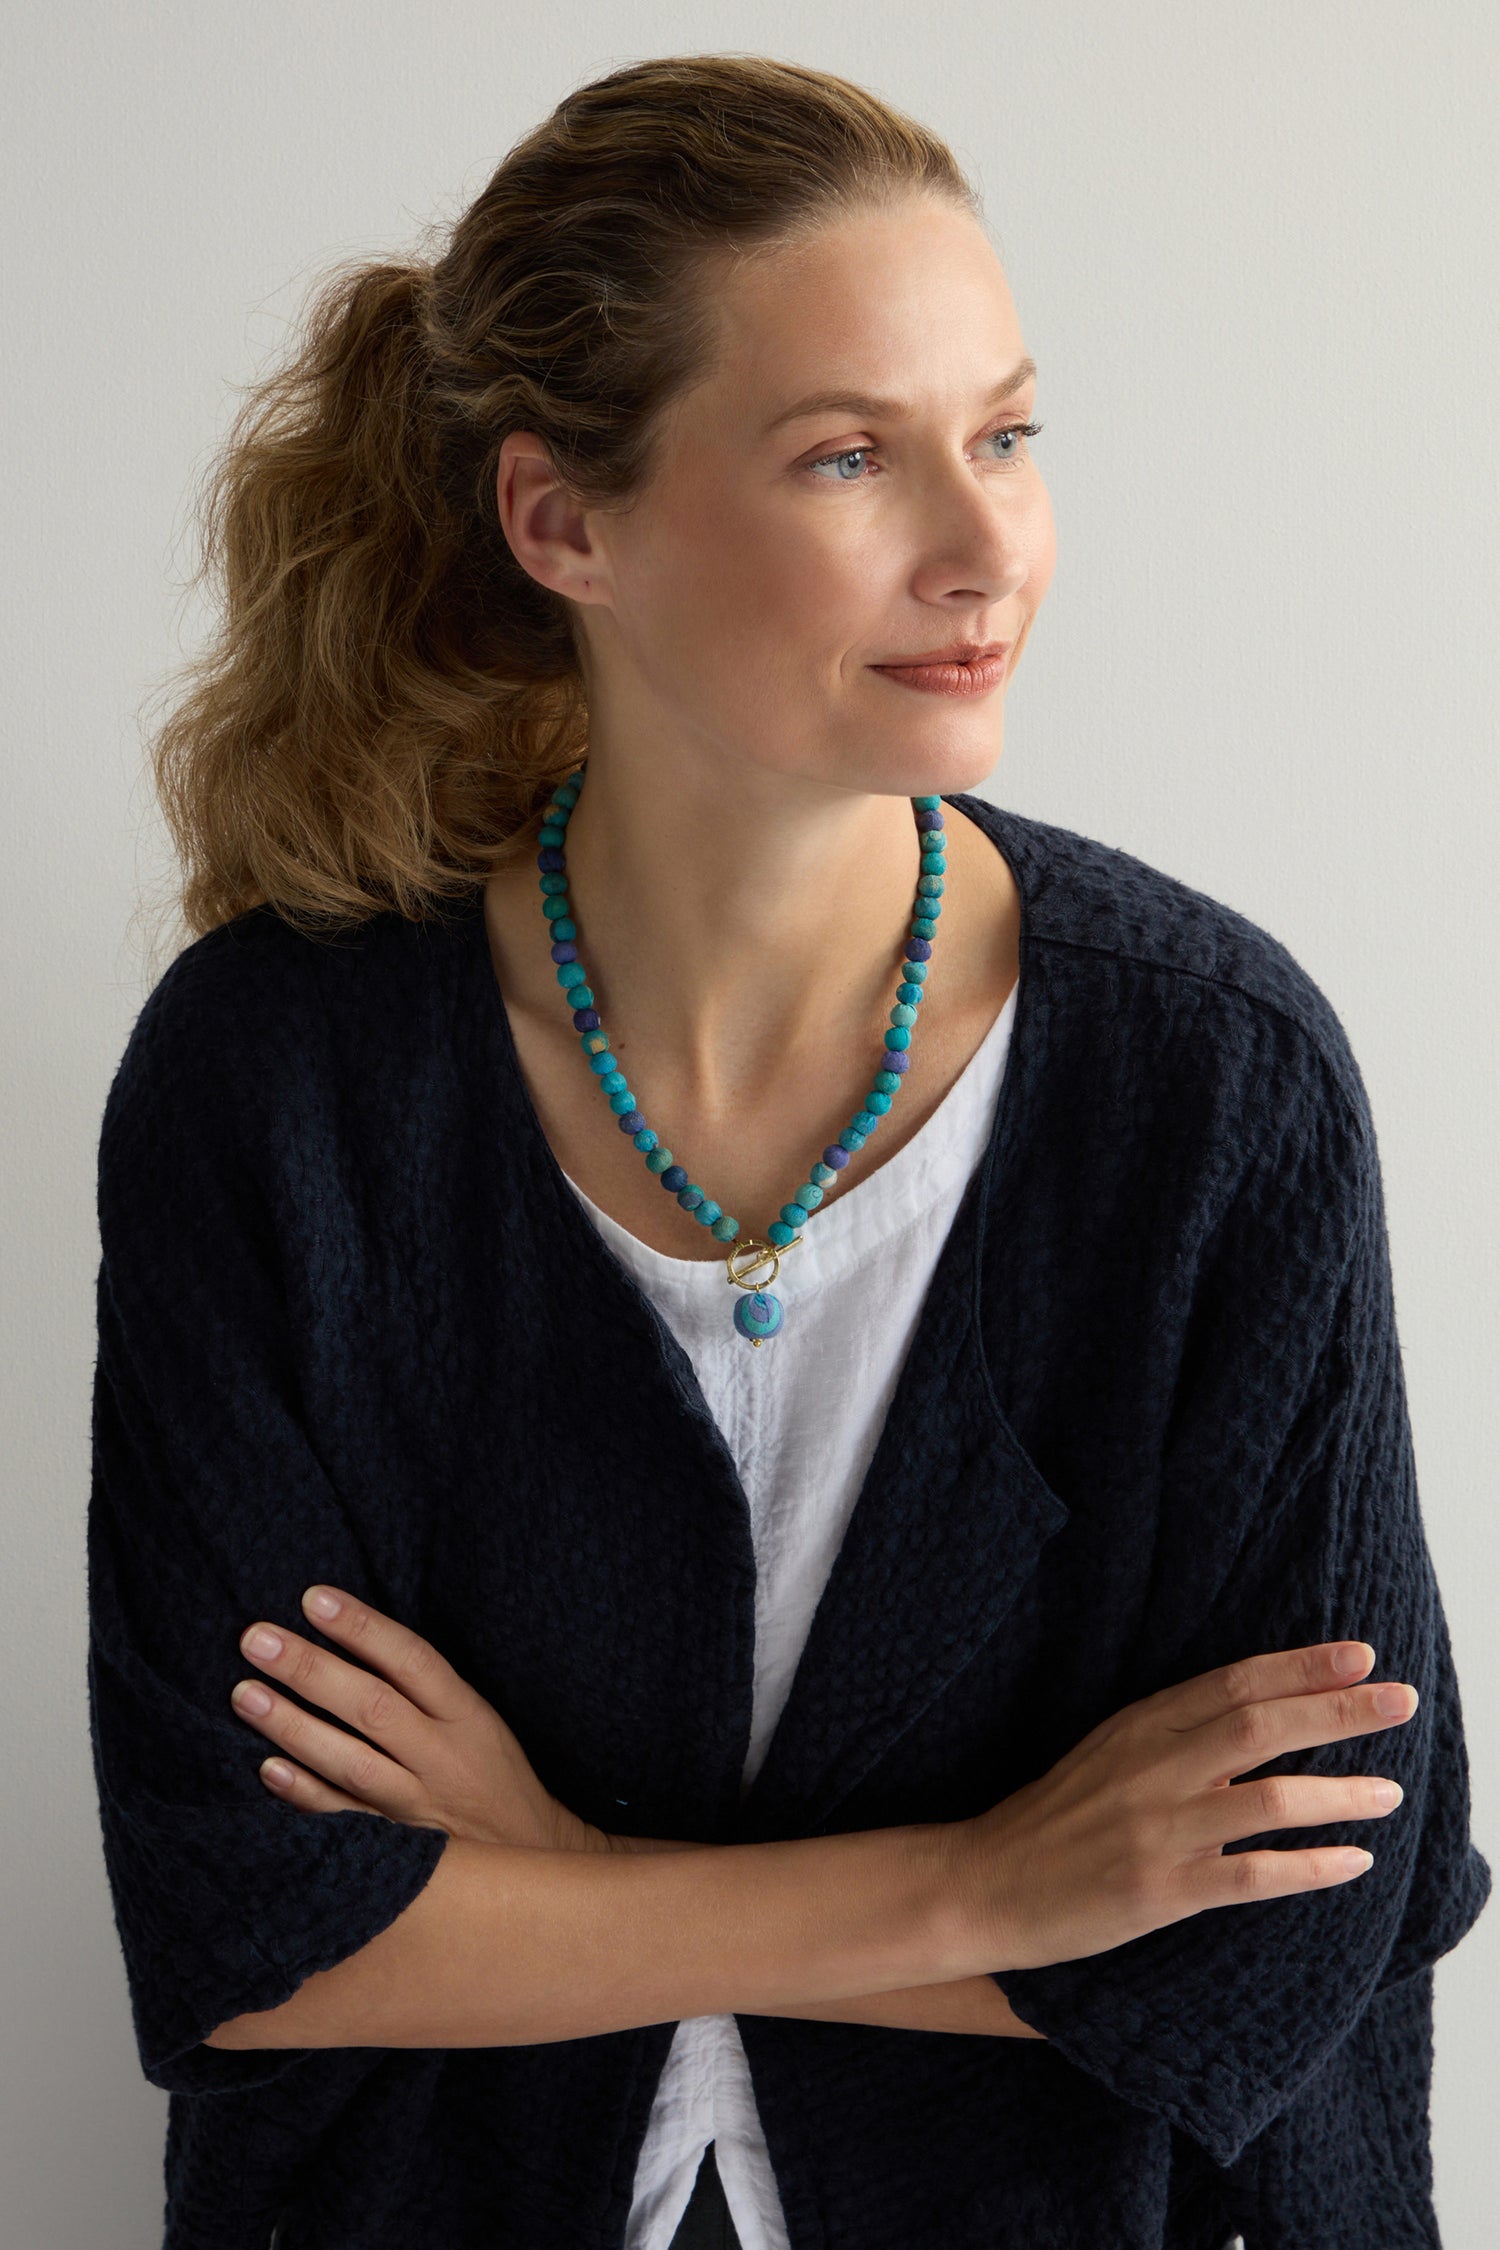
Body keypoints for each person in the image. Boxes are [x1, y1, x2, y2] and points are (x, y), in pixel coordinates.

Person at [88, 52, 1489, 2250]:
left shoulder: (1211, 1082)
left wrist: (539, 1882)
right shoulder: (278, 1081)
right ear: (565, 524)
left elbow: (1288, 1929)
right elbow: (251, 1925)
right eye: (851, 454)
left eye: (1008, 431)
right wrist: (988, 1885)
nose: (984, 542)